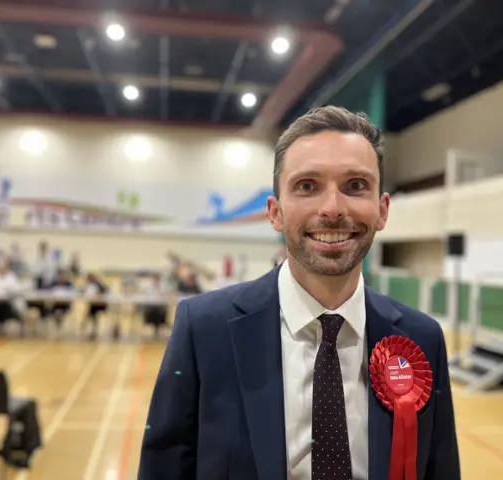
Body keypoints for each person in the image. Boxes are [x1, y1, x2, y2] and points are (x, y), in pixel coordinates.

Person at [138, 106, 460, 479]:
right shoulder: (203, 329)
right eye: (307, 186)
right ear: (275, 212)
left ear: (382, 209)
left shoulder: (422, 340)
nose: (332, 209)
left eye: (355, 185)